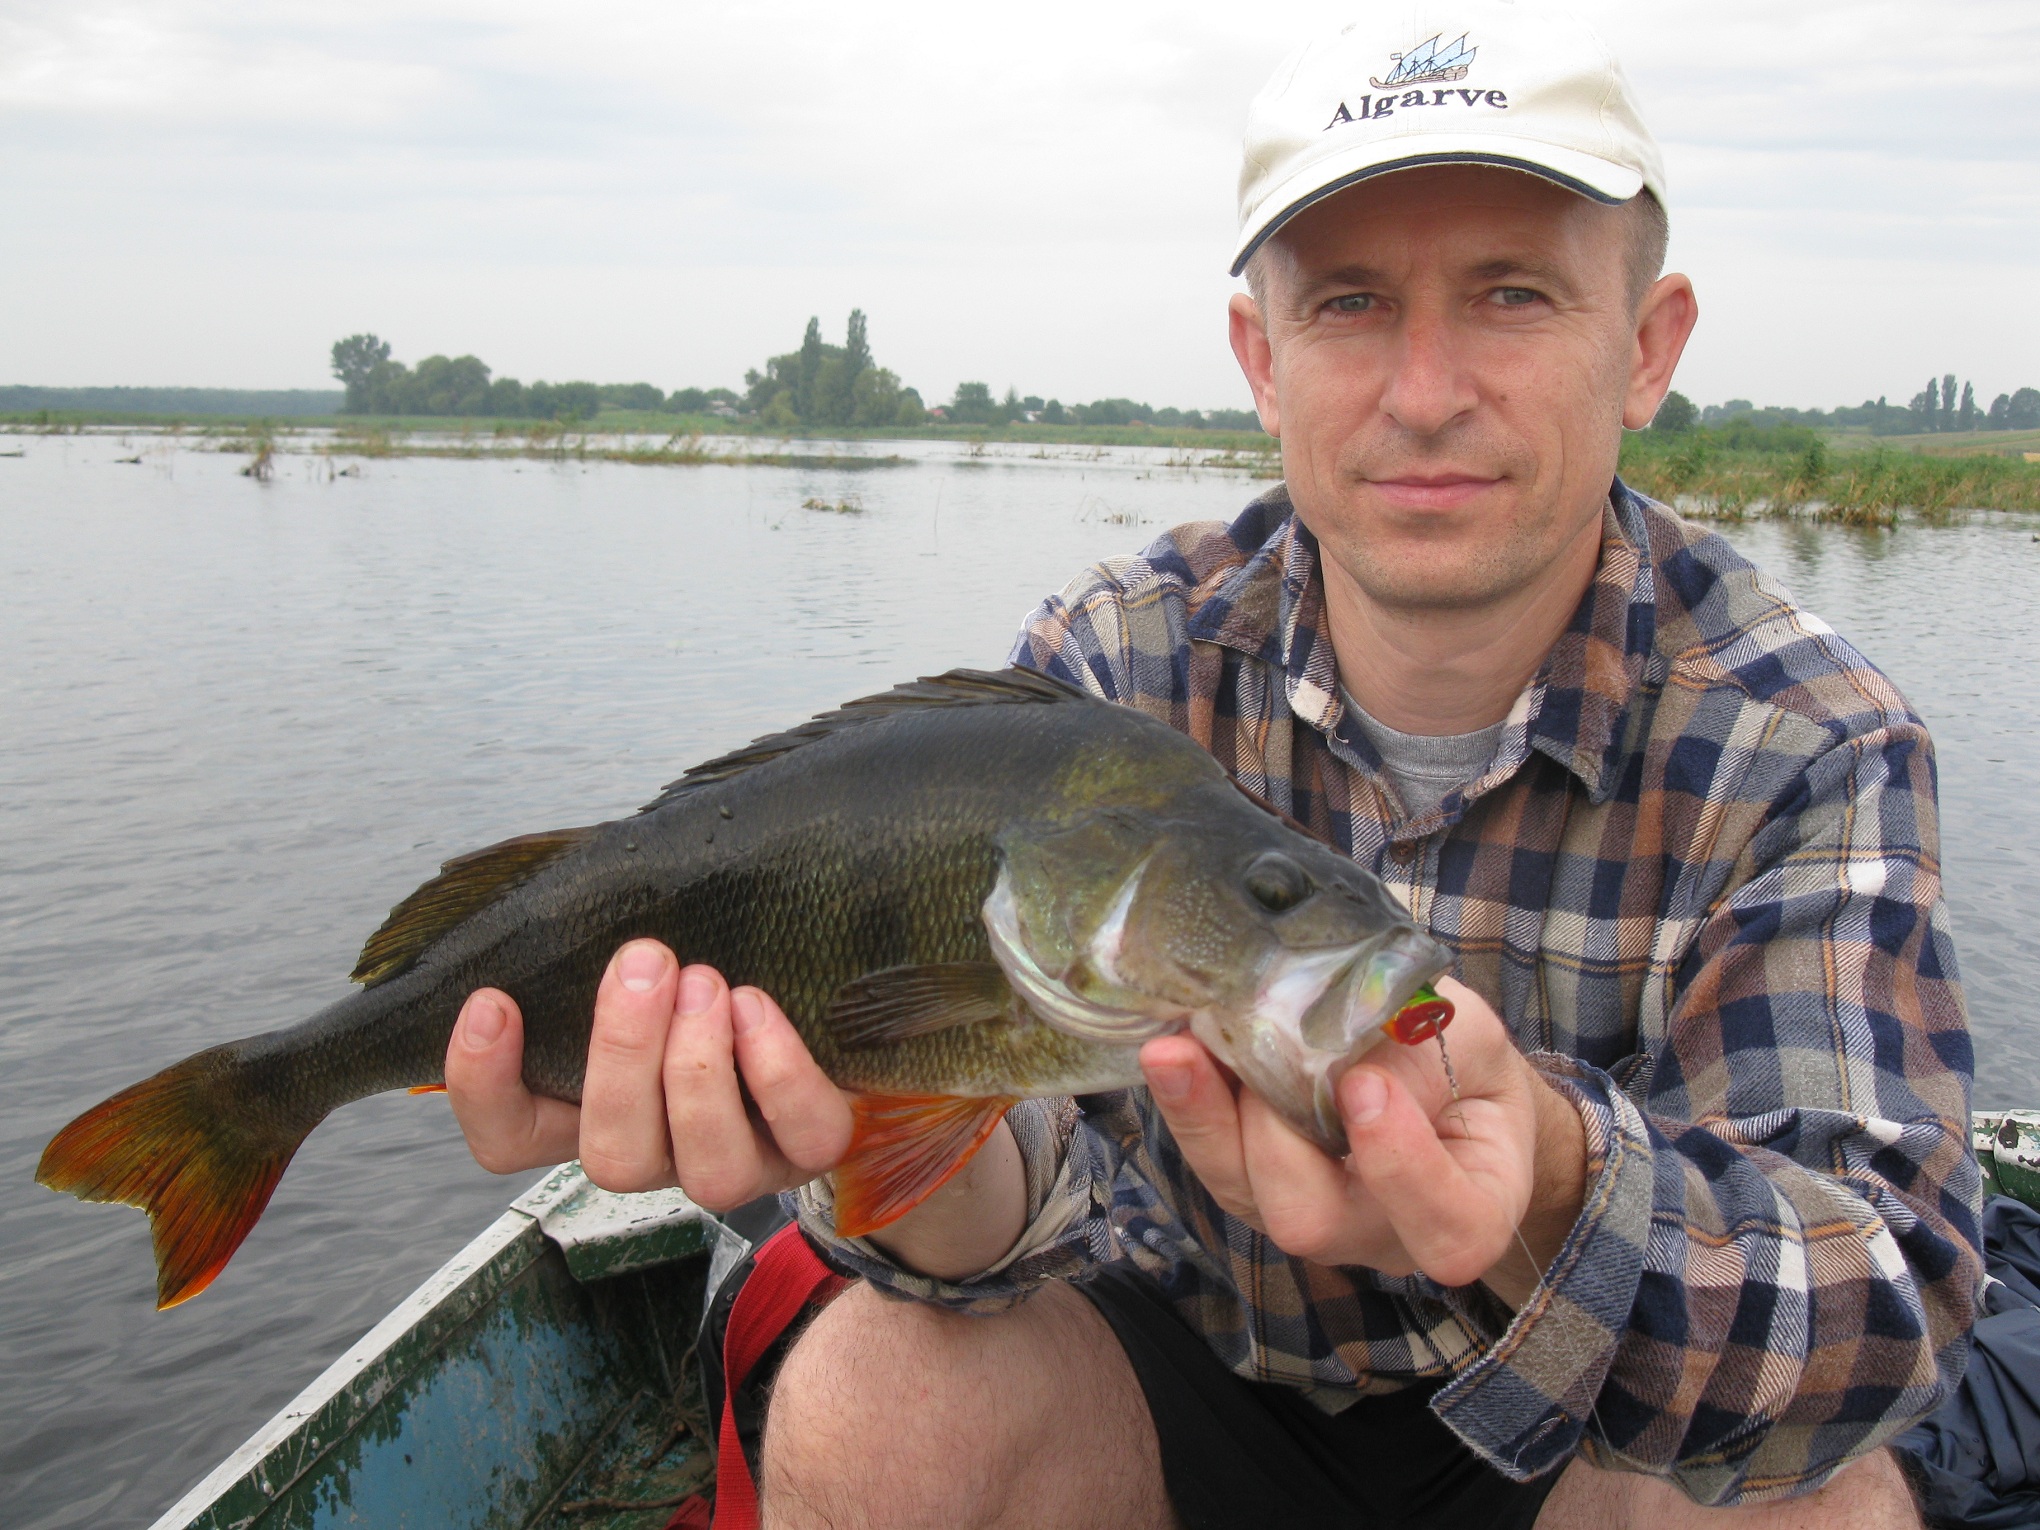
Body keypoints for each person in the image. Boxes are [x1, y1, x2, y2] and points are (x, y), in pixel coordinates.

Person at [443, 5, 1981, 1526]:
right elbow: (1021, 1190)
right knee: (876, 1398)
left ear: (1645, 349)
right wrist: (877, 1130)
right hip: (1180, 1386)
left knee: (1817, 1512)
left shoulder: (1808, 737)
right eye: (1350, 304)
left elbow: (1884, 1304)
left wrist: (1554, 1181)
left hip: (1581, 1437)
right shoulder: (1115, 668)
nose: (1426, 389)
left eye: (1512, 294)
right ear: (1262, 356)